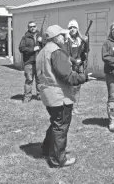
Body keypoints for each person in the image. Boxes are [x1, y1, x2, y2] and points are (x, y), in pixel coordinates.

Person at [36, 25, 88, 168]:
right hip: (59, 95)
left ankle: (47, 149)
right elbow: (67, 76)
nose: (65, 38)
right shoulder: (56, 52)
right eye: (62, 35)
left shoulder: (42, 52)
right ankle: (58, 159)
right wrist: (84, 77)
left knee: (56, 123)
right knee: (61, 127)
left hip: (47, 93)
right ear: (56, 37)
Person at [66, 19, 89, 115]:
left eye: (74, 27)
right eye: (70, 27)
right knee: (70, 87)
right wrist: (75, 61)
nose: (72, 29)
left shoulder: (80, 40)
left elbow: (87, 51)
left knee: (78, 87)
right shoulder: (66, 40)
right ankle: (69, 108)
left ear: (77, 28)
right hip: (70, 65)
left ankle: (75, 108)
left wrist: (86, 42)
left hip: (79, 66)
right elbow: (65, 54)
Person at [19, 21, 42, 103]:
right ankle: (27, 97)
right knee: (29, 80)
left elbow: (46, 47)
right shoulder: (25, 38)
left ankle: (40, 96)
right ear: (28, 28)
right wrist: (33, 49)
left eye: (34, 26)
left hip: (39, 62)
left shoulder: (41, 36)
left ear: (36, 27)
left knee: (40, 80)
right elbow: (21, 48)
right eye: (30, 26)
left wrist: (42, 41)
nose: (33, 28)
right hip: (29, 62)